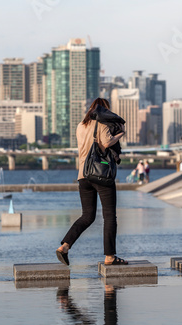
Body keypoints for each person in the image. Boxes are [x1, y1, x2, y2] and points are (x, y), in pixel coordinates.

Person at [56, 98, 127, 266]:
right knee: (109, 216)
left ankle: (65, 246)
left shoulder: (80, 125)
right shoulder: (102, 125)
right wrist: (120, 133)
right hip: (101, 174)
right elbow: (106, 143)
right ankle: (110, 256)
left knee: (87, 216)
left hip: (83, 176)